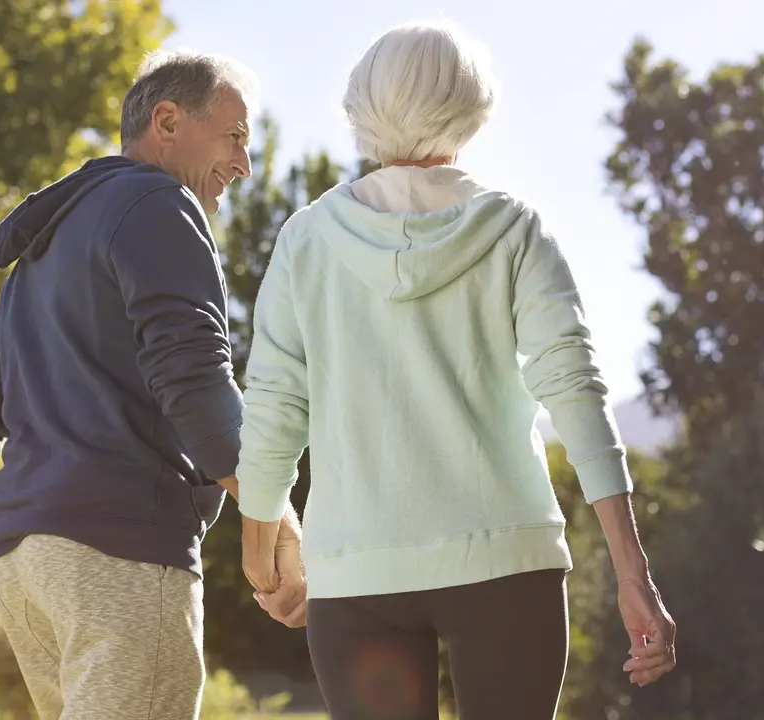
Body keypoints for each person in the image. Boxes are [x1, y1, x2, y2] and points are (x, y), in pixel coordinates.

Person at [235, 21, 677, 720]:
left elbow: (274, 407)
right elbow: (574, 388)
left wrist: (263, 553)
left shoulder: (306, 240)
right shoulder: (513, 228)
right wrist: (633, 572)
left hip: (357, 573)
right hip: (507, 563)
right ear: (471, 105)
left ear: (362, 105)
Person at [0, 49, 306, 720]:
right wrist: (275, 512)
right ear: (167, 121)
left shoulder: (42, 253)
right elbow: (193, 379)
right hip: (118, 554)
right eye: (234, 137)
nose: (244, 165)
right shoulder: (161, 202)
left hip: (21, 565)